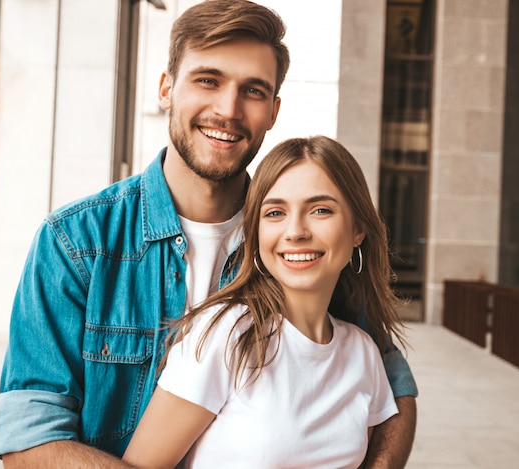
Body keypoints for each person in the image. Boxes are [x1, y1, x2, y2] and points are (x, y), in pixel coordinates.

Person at [0, 0, 417, 467]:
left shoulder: (298, 245)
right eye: (208, 80)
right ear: (167, 88)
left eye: (253, 90)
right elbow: (28, 442)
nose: (228, 109)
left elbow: (391, 389)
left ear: (273, 111)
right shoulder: (75, 242)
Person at [122, 135, 408, 469]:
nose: (295, 231)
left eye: (320, 210)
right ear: (256, 234)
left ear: (358, 229)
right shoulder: (225, 334)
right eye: (275, 212)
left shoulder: (363, 353)